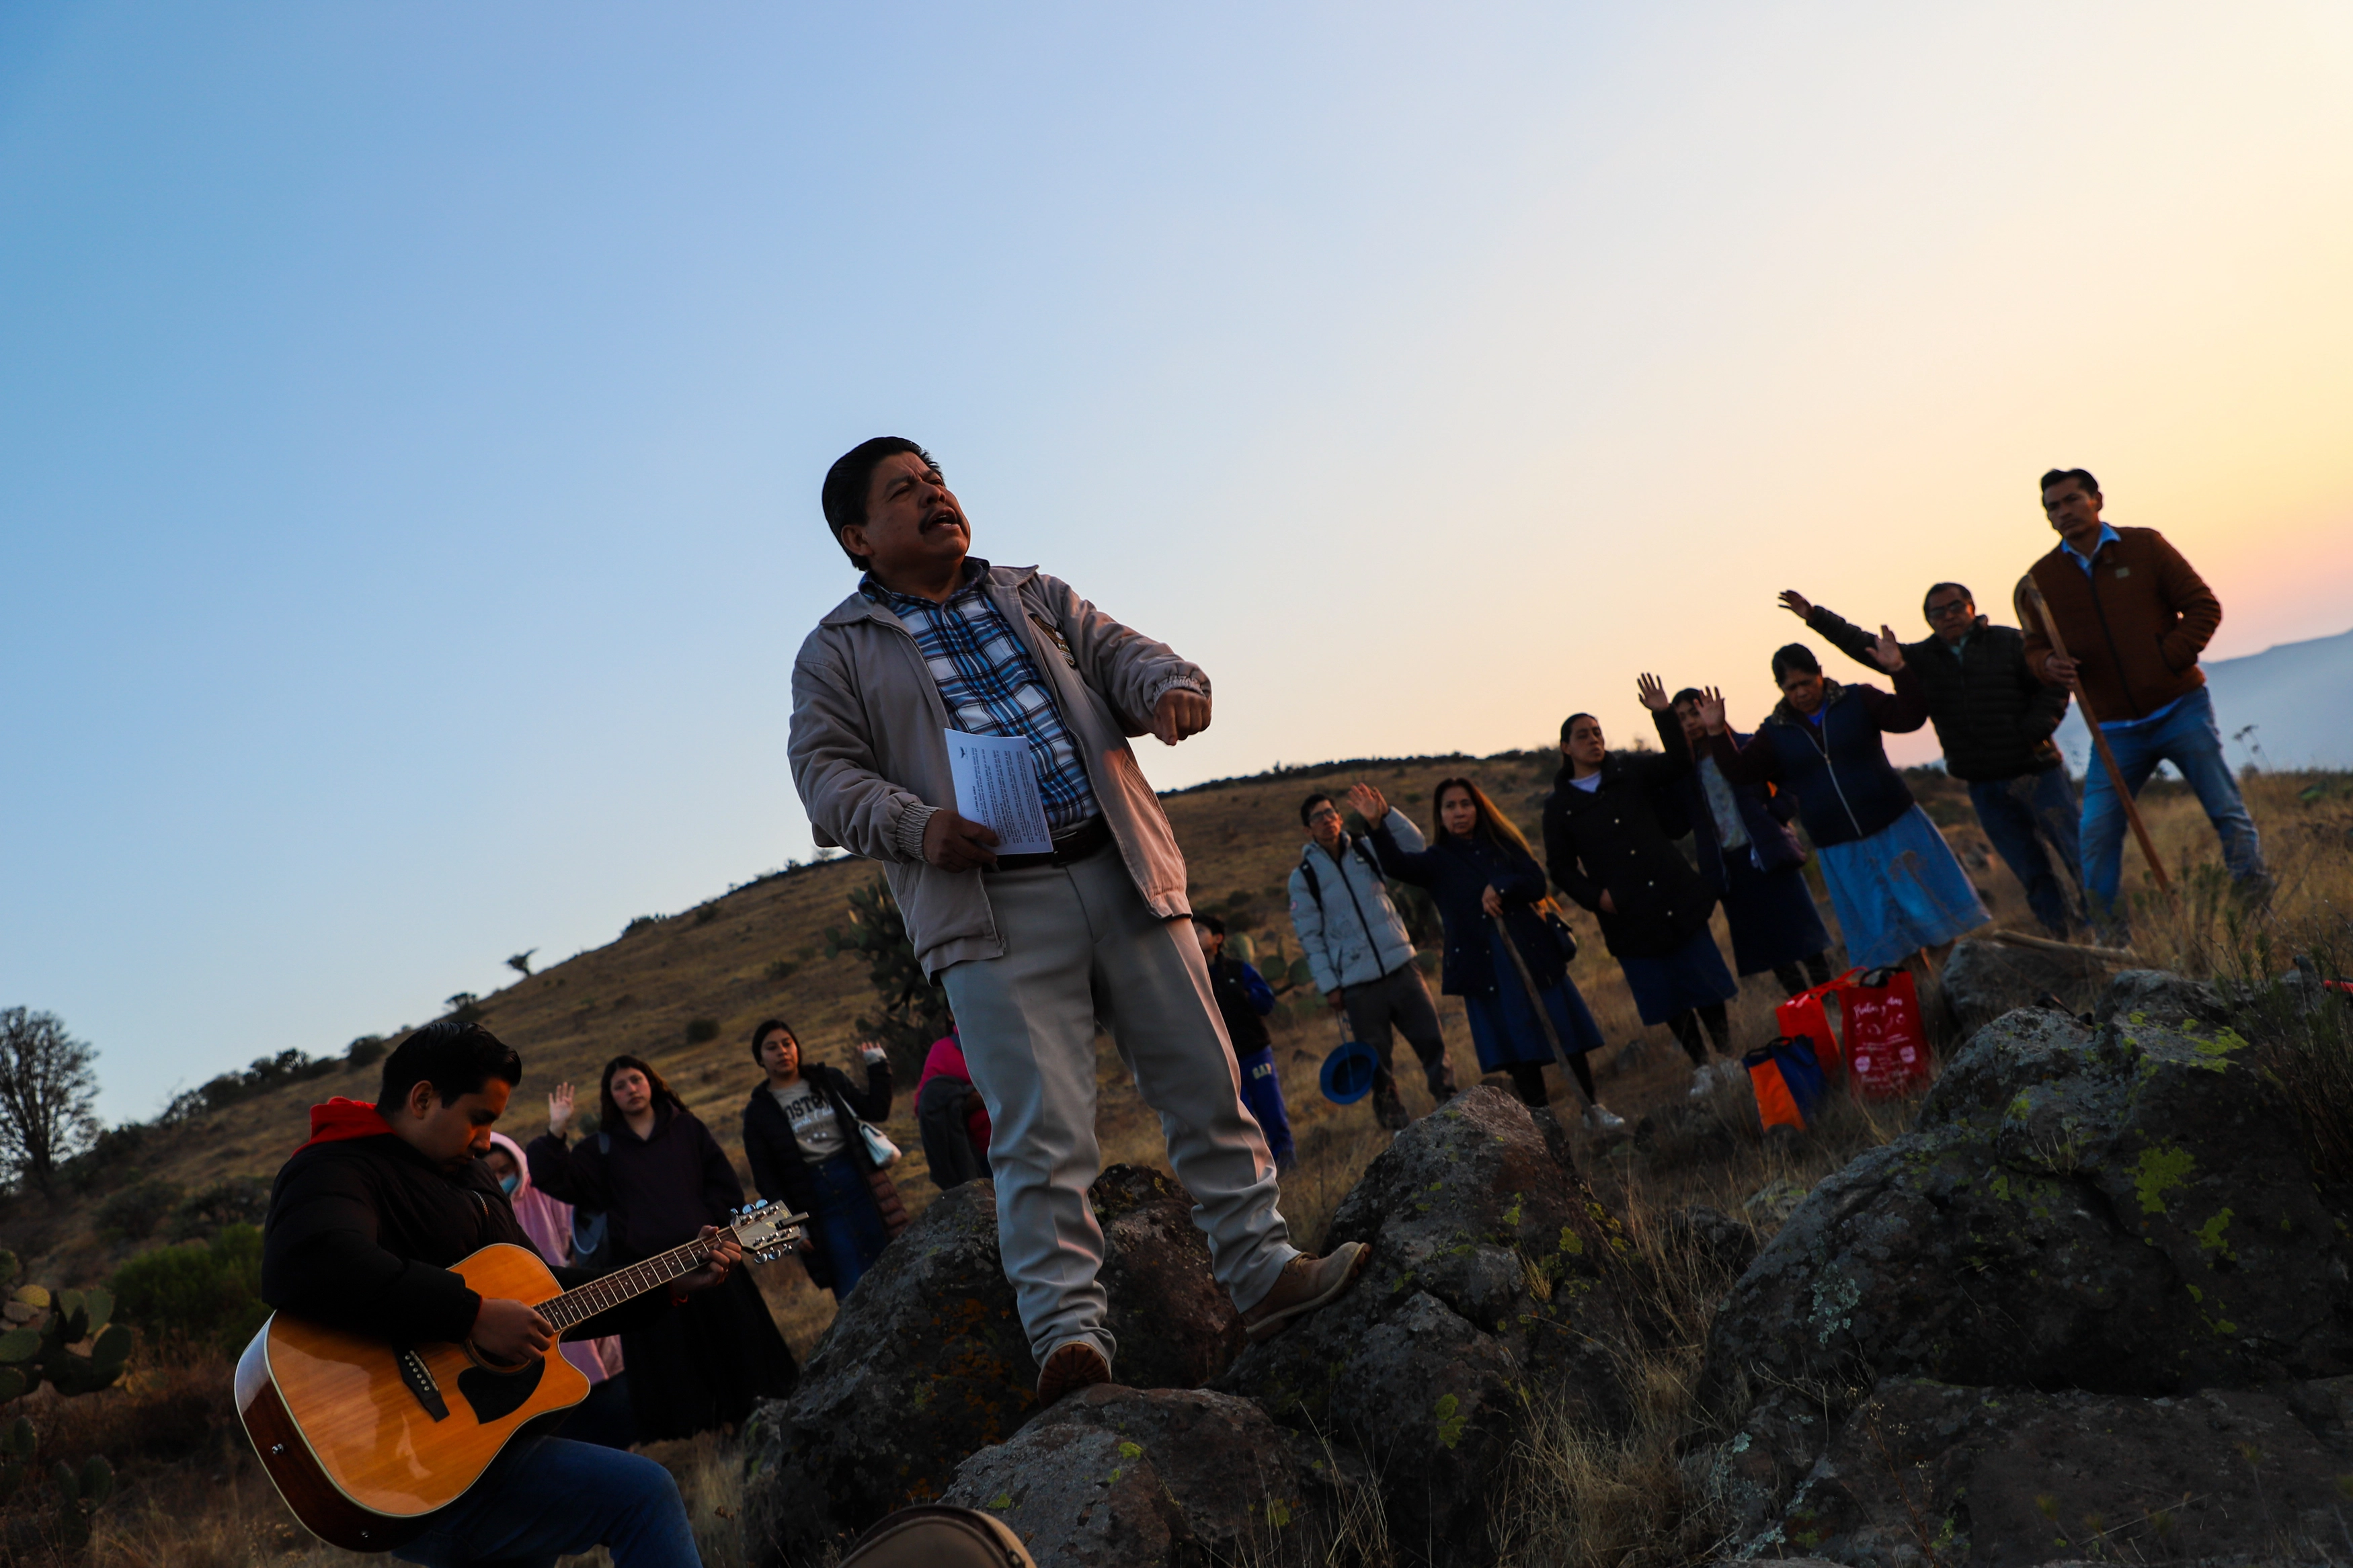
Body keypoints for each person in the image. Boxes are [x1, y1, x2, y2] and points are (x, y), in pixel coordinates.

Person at [786, 437, 1367, 1408]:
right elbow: (823, 779)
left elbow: (1127, 656)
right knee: (1037, 1136)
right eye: (905, 491)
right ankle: (1071, 1345)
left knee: (1205, 1086)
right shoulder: (836, 651)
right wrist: (918, 825)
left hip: (1123, 869)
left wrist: (1167, 689)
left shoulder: (1033, 592)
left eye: (937, 479)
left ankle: (1263, 1274)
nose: (936, 495)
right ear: (858, 537)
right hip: (990, 909)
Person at [260, 1020, 739, 1568]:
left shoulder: (473, 1178)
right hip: (413, 1470)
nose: (488, 1139)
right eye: (478, 1118)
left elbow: (542, 1295)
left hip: (485, 1445)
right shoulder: (337, 1164)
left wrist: (664, 1284)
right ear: (422, 1098)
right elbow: (310, 1261)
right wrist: (471, 1315)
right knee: (644, 1495)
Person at [2020, 467, 2269, 935]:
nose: (2064, 511)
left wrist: (2167, 658)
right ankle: (2112, 940)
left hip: (2179, 706)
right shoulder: (2041, 579)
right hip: (2112, 726)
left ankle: (2256, 904)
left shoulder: (2145, 546)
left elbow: (2203, 606)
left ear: (2097, 500)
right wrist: (2046, 665)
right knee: (2095, 834)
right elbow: (2033, 646)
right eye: (2053, 506)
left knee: (2225, 808)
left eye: (2072, 499)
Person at [1778, 583, 2081, 938]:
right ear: (1929, 620)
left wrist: (2037, 728)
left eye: (1956, 607)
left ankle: (2109, 925)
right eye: (1938, 612)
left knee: (2078, 854)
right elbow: (1865, 646)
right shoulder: (1922, 660)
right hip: (1984, 785)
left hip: (2037, 773)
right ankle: (2064, 937)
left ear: (1972, 607)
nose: (1949, 616)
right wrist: (1815, 617)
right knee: (2031, 870)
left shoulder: (2011, 642)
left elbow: (2055, 683)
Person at [530, 1055, 799, 1442]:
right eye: (619, 1086)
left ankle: (753, 1424)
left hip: (709, 1258)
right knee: (678, 1371)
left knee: (737, 1348)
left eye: (636, 1080)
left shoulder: (687, 1128)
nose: (630, 1090)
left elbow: (723, 1185)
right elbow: (553, 1177)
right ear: (611, 1098)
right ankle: (708, 1437)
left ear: (651, 1083)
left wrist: (716, 1230)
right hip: (649, 1280)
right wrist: (556, 1130)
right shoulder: (600, 1148)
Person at [1697, 638, 1990, 976]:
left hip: (1895, 825)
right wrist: (1718, 732)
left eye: (1807, 682)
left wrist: (1899, 670)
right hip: (1839, 845)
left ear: (1821, 675)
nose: (1801, 692)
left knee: (1929, 913)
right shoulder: (1775, 732)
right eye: (1791, 687)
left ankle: (1956, 984)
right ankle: (1927, 998)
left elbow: (1910, 718)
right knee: (1891, 934)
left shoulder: (1857, 699)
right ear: (1781, 689)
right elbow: (1740, 771)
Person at [1355, 778, 1628, 1133]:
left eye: (1465, 804)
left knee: (1566, 1034)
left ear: (1478, 807)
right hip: (1487, 968)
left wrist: (1501, 885)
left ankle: (1592, 1111)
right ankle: (1544, 1128)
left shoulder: (1503, 844)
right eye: (1450, 807)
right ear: (1440, 816)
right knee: (1518, 1050)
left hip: (1533, 954)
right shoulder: (1437, 860)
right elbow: (1396, 866)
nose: (1459, 812)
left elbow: (1535, 882)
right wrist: (1377, 823)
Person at [1542, 677, 1743, 1099]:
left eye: (1598, 732)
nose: (1594, 740)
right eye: (1583, 735)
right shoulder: (1559, 806)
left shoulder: (1629, 770)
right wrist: (1595, 898)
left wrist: (1663, 715)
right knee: (1669, 995)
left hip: (1673, 893)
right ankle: (1702, 1067)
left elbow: (1679, 763)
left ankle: (1727, 1058)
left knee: (1701, 978)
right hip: (1628, 913)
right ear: (1566, 748)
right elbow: (1559, 867)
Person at [1286, 792, 1458, 1130]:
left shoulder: (1367, 847)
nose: (1326, 820)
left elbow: (1414, 842)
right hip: (1357, 984)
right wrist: (1330, 986)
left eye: (1330, 812)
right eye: (1317, 817)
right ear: (1308, 830)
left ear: (1339, 816)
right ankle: (1396, 1127)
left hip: (1400, 964)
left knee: (1432, 1040)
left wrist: (1386, 815)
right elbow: (1310, 937)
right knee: (1377, 1063)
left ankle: (1450, 1104)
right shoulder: (1303, 878)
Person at [1664, 688, 1835, 997]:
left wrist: (1776, 814)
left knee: (1803, 937)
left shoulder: (1745, 745)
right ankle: (1804, 1011)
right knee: (1770, 950)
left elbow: (1791, 780)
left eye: (1694, 712)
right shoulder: (1684, 773)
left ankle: (1833, 1003)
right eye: (1681, 718)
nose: (1690, 722)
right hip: (1729, 867)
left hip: (1770, 853)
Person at [484, 1132, 631, 1450]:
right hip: (524, 1318)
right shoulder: (483, 1212)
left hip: (571, 1298)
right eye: (490, 1173)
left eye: (504, 1170)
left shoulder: (541, 1193)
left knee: (604, 1381)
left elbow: (574, 1232)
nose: (500, 1179)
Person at [740, 1019, 908, 1298]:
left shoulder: (827, 1080)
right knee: (850, 1282)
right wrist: (791, 1227)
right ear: (760, 1058)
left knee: (895, 1262)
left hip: (859, 1182)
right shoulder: (758, 1112)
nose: (782, 1051)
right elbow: (766, 1180)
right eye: (772, 1048)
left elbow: (875, 1110)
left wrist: (878, 1066)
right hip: (815, 1200)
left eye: (787, 1043)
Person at [1192, 914, 1294, 1168]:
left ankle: (1287, 1163)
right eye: (1191, 930)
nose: (1194, 934)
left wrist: (1246, 994)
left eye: (1201, 930)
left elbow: (1267, 1003)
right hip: (1223, 1063)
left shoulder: (1240, 970)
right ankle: (1258, 1172)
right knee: (1243, 1121)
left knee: (1272, 1113)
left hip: (1255, 1053)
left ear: (1218, 938)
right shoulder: (1192, 979)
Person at [915, 1030, 993, 1191]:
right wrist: (965, 1101)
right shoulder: (944, 1051)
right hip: (988, 1155)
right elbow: (924, 1104)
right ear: (950, 1014)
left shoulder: (1007, 1032)